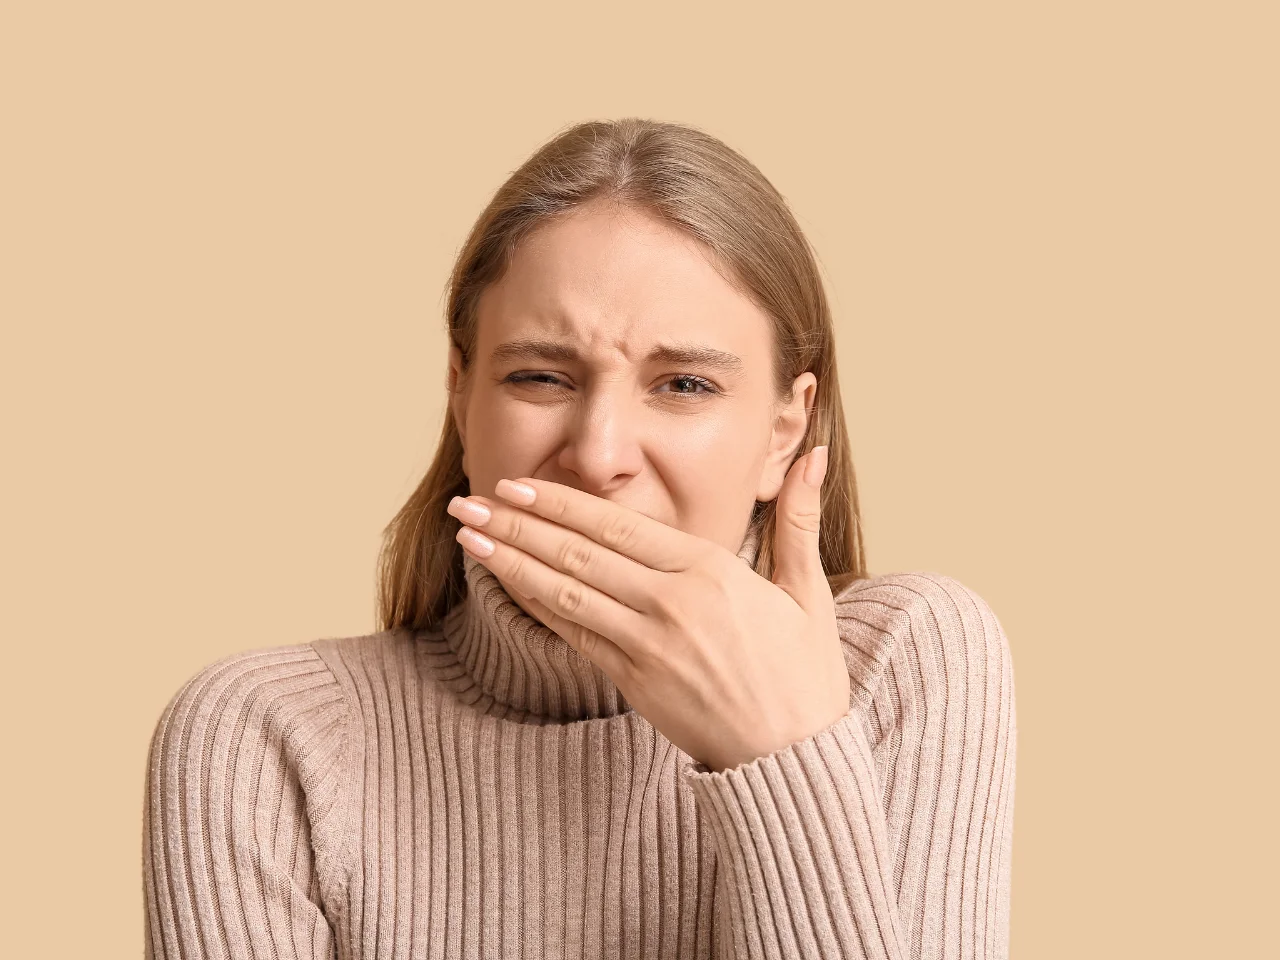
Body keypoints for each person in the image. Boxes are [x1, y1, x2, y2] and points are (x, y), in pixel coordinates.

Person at [142, 117, 1017, 959]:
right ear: (461, 393)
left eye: (683, 385)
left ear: (786, 428)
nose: (598, 457)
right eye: (538, 376)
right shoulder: (262, 736)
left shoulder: (905, 661)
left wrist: (785, 756)